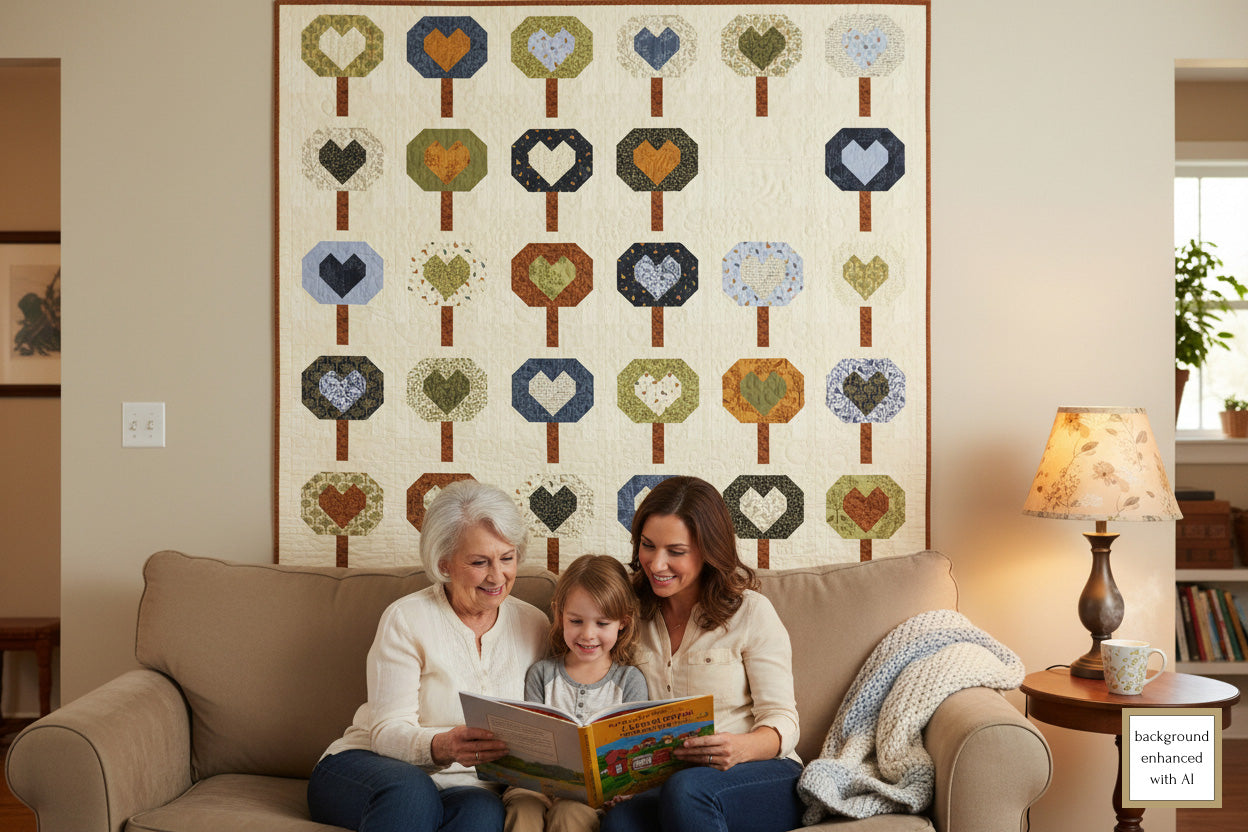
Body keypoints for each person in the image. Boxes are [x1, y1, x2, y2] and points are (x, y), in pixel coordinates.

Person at [307, 480, 549, 832]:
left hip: (467, 787)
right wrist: (442, 745)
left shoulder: (535, 624)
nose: (498, 576)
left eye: (507, 558)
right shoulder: (406, 618)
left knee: (483, 815)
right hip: (368, 768)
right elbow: (386, 731)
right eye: (480, 562)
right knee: (410, 791)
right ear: (444, 563)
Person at [600, 476, 804, 832]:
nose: (656, 564)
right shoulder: (626, 612)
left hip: (759, 774)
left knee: (688, 788)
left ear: (708, 551)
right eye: (648, 546)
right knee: (620, 821)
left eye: (675, 552)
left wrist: (740, 748)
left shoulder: (751, 612)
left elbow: (783, 720)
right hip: (671, 782)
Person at [504, 554, 648, 832]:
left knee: (570, 814)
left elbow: (633, 755)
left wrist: (625, 792)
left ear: (623, 622)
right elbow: (528, 742)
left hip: (592, 797)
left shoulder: (629, 681)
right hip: (535, 785)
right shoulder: (542, 674)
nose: (588, 635)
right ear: (559, 615)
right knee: (523, 808)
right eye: (576, 621)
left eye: (602, 623)